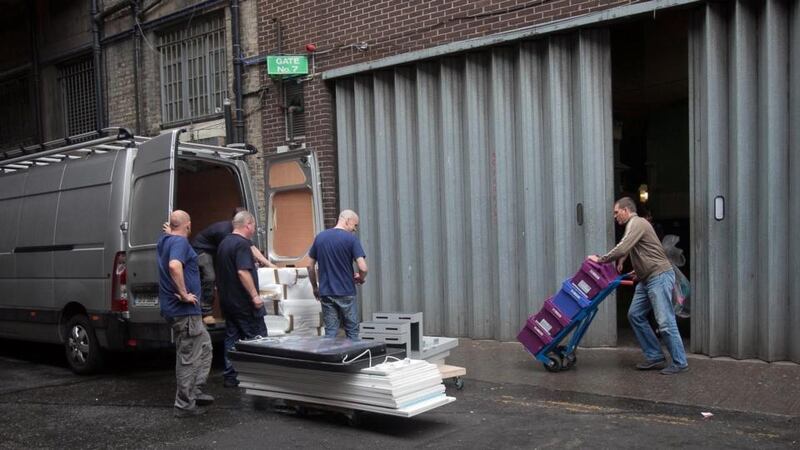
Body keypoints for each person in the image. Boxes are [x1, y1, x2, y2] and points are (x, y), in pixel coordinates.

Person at [588, 197, 688, 375]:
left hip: (658, 276)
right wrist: (638, 268)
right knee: (635, 314)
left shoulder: (637, 223)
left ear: (626, 210)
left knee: (665, 321)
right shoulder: (633, 225)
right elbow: (638, 249)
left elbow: (623, 247)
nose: (615, 216)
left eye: (616, 212)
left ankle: (680, 362)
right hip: (646, 278)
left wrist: (601, 259)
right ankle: (655, 356)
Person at [169, 208, 275, 325]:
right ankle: (206, 312)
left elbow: (252, 248)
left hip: (214, 251)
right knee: (210, 277)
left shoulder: (238, 233)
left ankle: (226, 311)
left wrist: (270, 264)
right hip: (201, 250)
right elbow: (228, 255)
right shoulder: (225, 231)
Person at [156, 210, 214, 417]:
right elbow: (174, 266)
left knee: (205, 347)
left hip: (182, 312)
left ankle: (195, 390)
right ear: (188, 225)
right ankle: (184, 405)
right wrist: (184, 293)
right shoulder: (179, 243)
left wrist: (170, 230)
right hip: (185, 312)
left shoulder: (165, 240)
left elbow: (170, 235)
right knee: (188, 357)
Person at [215, 210, 268, 388]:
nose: (254, 230)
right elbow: (242, 272)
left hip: (228, 302)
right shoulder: (242, 244)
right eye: (254, 226)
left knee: (232, 338)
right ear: (248, 225)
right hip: (244, 303)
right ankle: (260, 379)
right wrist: (254, 296)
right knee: (258, 339)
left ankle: (231, 376)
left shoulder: (224, 243)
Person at [308, 209, 368, 340]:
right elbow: (363, 267)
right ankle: (353, 353)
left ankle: (330, 353)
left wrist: (315, 287)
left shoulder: (320, 237)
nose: (355, 229)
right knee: (352, 333)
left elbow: (310, 266)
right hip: (346, 292)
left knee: (330, 333)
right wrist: (361, 278)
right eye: (355, 225)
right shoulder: (351, 239)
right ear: (348, 221)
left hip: (326, 293)